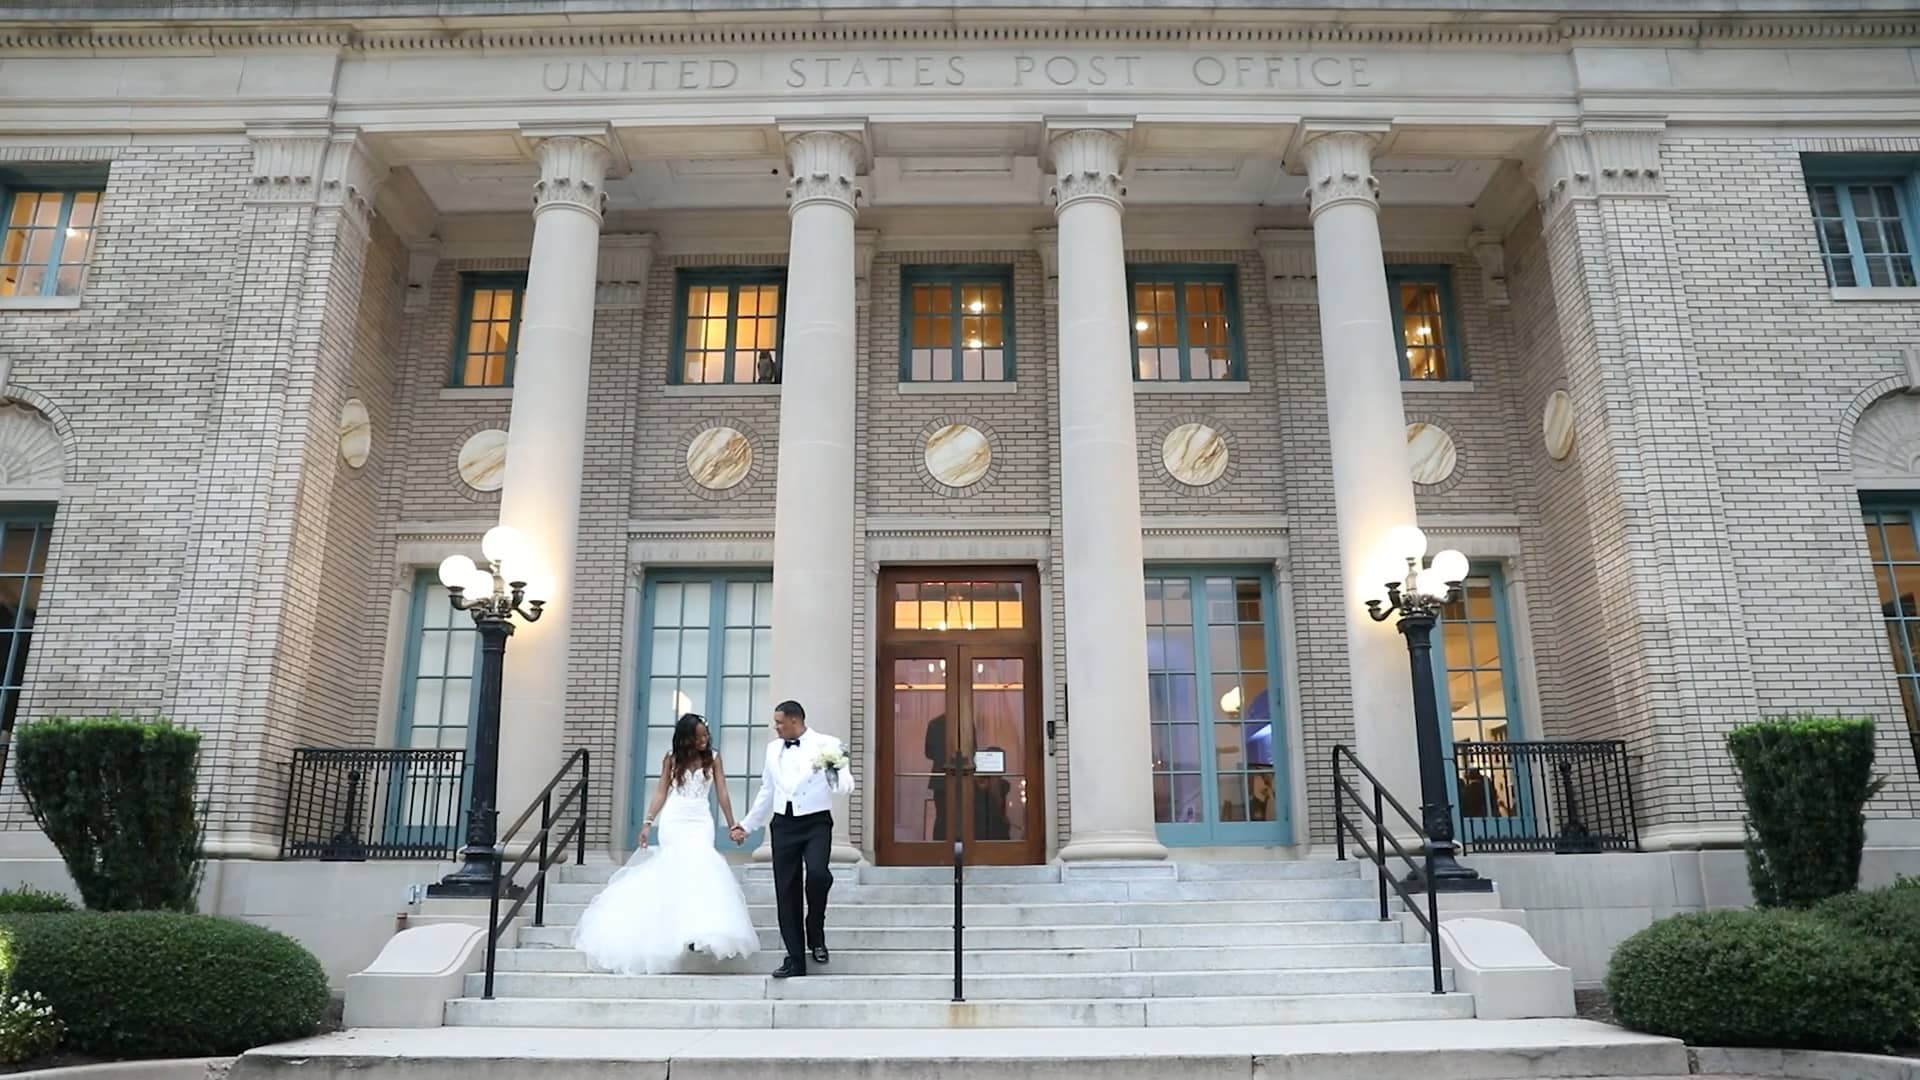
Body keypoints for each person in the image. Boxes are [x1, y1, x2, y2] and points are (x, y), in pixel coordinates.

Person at [570, 713, 758, 975]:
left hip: (700, 819)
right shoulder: (672, 758)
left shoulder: (713, 758)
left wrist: (731, 824)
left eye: (706, 735)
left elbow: (722, 792)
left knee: (702, 866)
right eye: (699, 735)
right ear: (687, 738)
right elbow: (661, 791)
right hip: (675, 818)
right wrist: (648, 822)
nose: (704, 739)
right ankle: (675, 929)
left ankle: (700, 929)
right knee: (676, 870)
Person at [732, 699, 855, 979]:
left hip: (816, 823)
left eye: (779, 722)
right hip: (783, 825)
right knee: (786, 892)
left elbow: (846, 786)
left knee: (818, 875)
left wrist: (832, 770)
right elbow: (767, 790)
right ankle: (795, 959)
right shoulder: (773, 749)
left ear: (795, 721)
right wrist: (747, 826)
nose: (775, 727)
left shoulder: (829, 744)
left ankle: (816, 929)